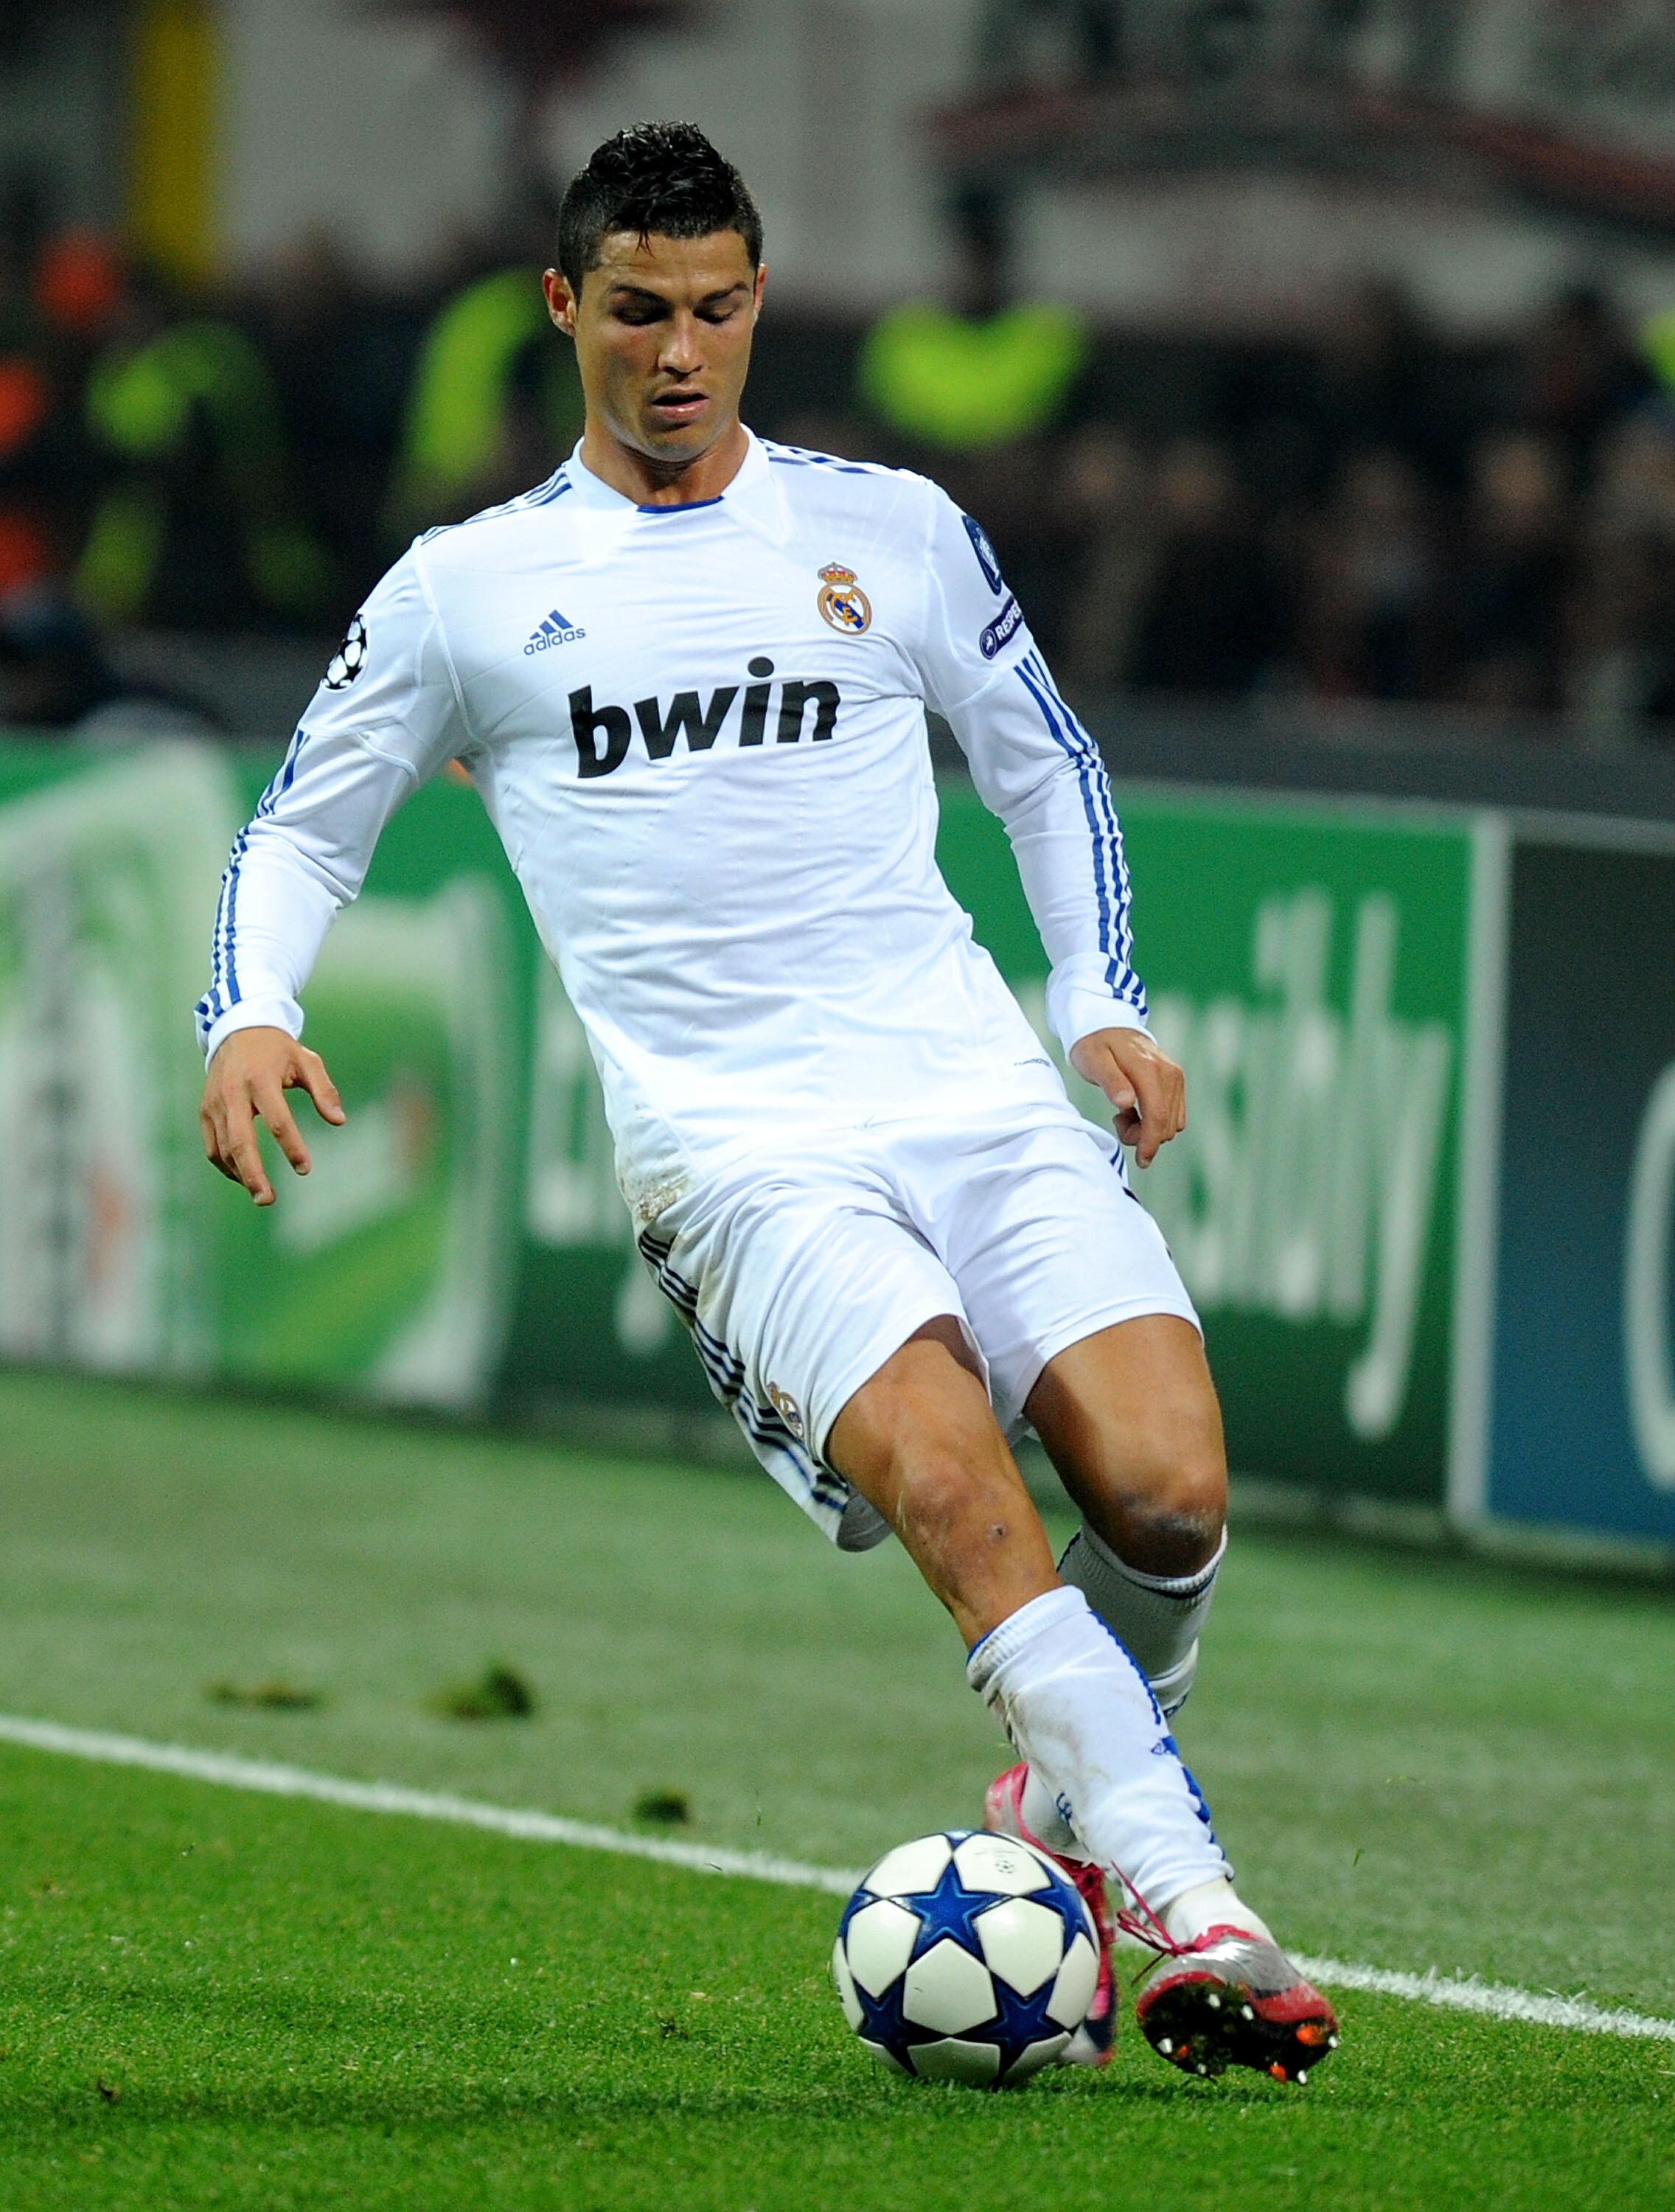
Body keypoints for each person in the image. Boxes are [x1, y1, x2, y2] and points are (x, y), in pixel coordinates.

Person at [195, 122, 1340, 2085]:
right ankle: (1199, 1910)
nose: (679, 351)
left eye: (718, 308)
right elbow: (310, 820)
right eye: (637, 310)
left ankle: (1057, 1809)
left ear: (756, 304)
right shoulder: (472, 592)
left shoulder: (889, 528)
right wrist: (250, 1009)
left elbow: (1043, 761)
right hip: (740, 1156)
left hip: (972, 1088)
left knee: (1166, 1498)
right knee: (965, 1497)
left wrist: (1098, 1000)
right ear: (566, 307)